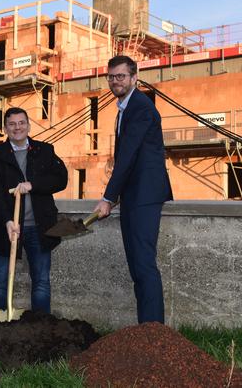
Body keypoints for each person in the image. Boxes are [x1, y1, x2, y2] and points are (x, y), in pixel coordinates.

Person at [93, 55, 173, 324]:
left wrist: (108, 197)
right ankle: (146, 329)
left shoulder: (140, 107)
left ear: (134, 77)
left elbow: (127, 156)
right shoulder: (125, 108)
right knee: (137, 266)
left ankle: (153, 331)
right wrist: (118, 196)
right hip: (135, 195)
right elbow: (129, 158)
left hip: (145, 195)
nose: (116, 81)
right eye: (111, 77)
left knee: (143, 265)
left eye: (121, 76)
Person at [0, 107, 68, 314]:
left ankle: (40, 327)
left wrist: (33, 185)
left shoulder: (44, 150)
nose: (17, 127)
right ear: (5, 128)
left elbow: (61, 179)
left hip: (40, 228)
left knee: (41, 282)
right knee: (0, 282)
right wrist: (6, 221)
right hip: (9, 228)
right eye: (12, 124)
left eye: (21, 123)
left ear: (28, 125)